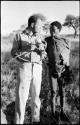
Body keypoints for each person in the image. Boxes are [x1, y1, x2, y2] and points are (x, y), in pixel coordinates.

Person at [11, 14, 46, 124]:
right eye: (40, 26)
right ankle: (19, 122)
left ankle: (35, 121)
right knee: (22, 97)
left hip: (37, 67)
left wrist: (42, 52)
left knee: (36, 97)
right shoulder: (19, 36)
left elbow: (44, 54)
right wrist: (27, 51)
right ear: (32, 24)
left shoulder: (41, 37)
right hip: (24, 67)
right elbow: (13, 52)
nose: (41, 28)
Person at [45, 21, 70, 116]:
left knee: (62, 92)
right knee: (53, 92)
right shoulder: (47, 41)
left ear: (59, 30)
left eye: (54, 29)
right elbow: (43, 51)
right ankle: (53, 114)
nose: (51, 31)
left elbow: (67, 57)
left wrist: (67, 71)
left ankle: (63, 112)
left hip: (63, 70)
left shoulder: (65, 41)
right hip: (52, 70)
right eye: (50, 29)